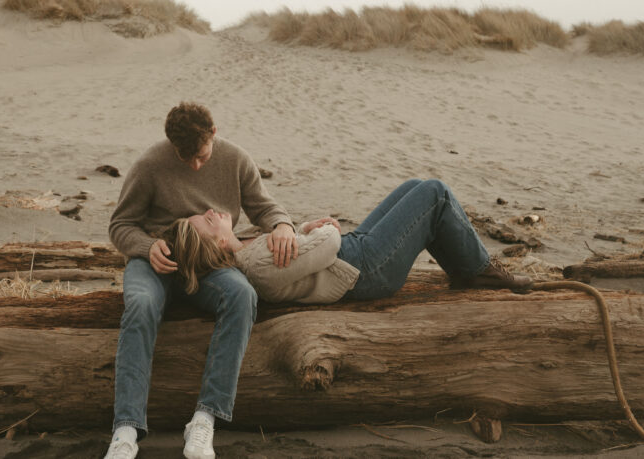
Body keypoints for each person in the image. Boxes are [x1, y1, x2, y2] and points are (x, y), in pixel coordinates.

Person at [104, 102, 298, 459]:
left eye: (201, 156)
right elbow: (120, 225)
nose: (194, 164)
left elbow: (264, 207)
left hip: (209, 262)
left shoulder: (236, 159)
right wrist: (148, 247)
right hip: (157, 262)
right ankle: (125, 430)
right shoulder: (150, 165)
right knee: (142, 304)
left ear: (213, 132)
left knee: (241, 294)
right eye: (184, 157)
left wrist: (283, 224)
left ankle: (205, 419)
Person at [163, 178, 532, 306]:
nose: (212, 212)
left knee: (414, 187)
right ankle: (479, 271)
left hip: (353, 254)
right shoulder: (256, 266)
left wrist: (305, 226)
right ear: (217, 246)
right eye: (207, 222)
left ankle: (464, 267)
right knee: (435, 193)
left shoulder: (246, 251)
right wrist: (324, 232)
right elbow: (323, 249)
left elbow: (303, 254)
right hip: (366, 271)